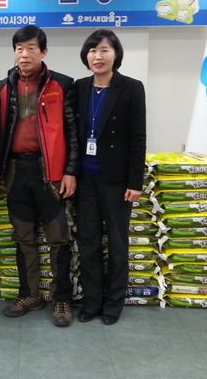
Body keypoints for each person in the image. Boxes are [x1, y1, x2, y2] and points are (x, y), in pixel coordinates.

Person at [0, 24, 79, 327]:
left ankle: (61, 298)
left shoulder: (62, 84)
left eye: (31, 48)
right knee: (23, 238)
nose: (24, 54)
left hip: (49, 172)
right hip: (16, 171)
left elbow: (73, 134)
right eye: (19, 49)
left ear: (43, 51)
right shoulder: (2, 88)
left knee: (58, 239)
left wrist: (70, 171)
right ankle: (29, 295)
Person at [75, 29, 146, 326]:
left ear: (116, 54)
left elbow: (138, 137)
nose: (98, 56)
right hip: (84, 179)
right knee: (88, 242)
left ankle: (114, 303)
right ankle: (92, 301)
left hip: (116, 180)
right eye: (93, 50)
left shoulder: (131, 87)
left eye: (104, 50)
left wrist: (135, 182)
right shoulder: (79, 87)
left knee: (117, 244)